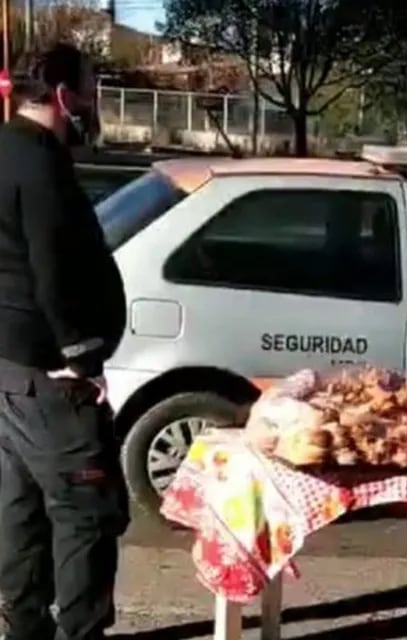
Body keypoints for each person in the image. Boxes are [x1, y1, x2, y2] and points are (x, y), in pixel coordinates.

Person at [0, 44, 128, 640]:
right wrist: (80, 356)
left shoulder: (5, 148)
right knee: (84, 514)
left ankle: (23, 626)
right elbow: (54, 268)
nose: (93, 101)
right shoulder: (40, 163)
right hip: (48, 377)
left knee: (19, 509)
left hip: (8, 369)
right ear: (62, 95)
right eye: (90, 88)